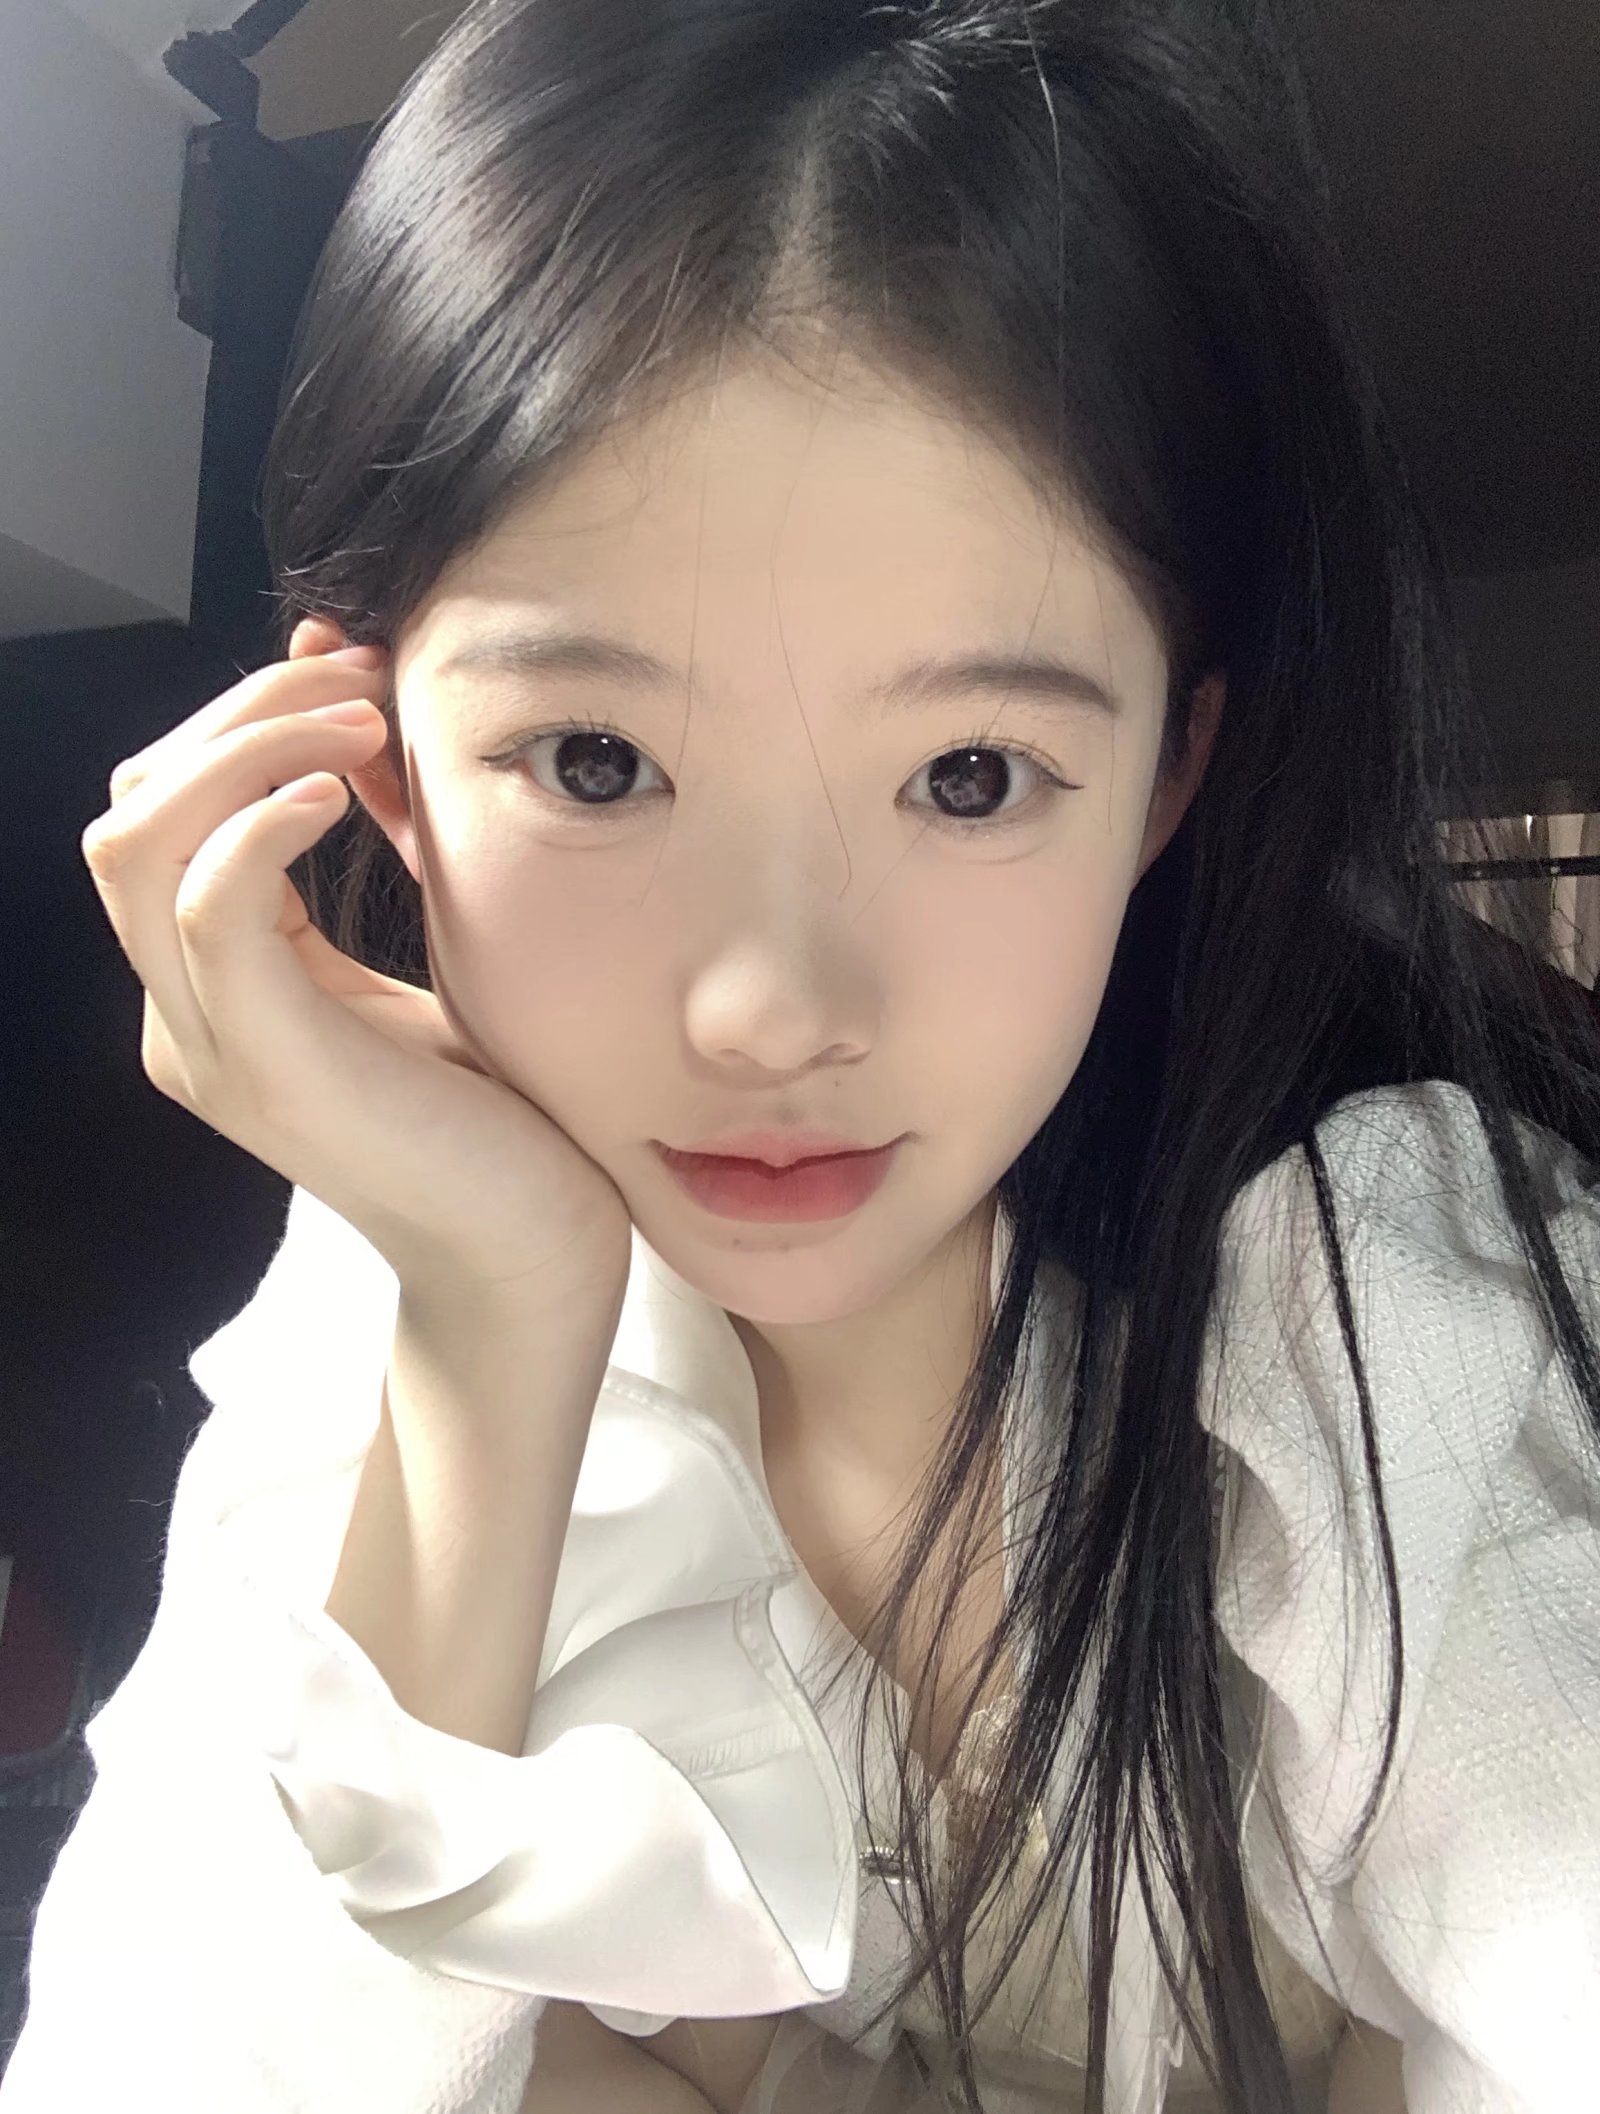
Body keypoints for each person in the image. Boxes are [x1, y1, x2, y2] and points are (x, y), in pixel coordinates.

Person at [10, 1, 1600, 2110]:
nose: (769, 1006)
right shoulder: (396, 1296)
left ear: (1161, 775)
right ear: (377, 766)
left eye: (969, 773)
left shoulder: (1382, 1307)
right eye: (597, 760)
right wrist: (496, 1319)